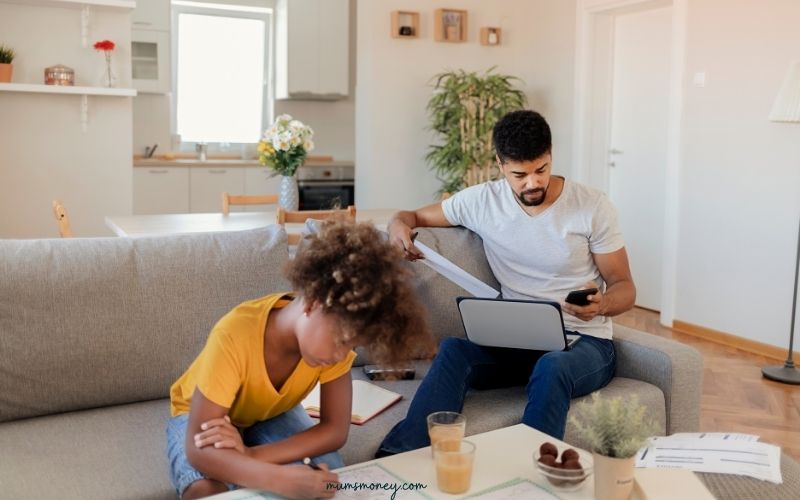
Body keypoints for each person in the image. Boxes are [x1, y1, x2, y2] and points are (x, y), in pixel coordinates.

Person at [376, 109, 636, 457]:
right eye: (520, 174)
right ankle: (400, 460)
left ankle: (526, 478)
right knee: (454, 350)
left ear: (551, 155)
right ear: (499, 164)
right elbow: (413, 216)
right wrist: (397, 226)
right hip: (518, 343)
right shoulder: (482, 201)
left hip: (584, 344)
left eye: (541, 170)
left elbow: (624, 286)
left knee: (552, 365)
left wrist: (601, 305)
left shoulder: (592, 206)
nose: (532, 182)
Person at [166, 219, 432, 500]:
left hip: (272, 412)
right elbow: (199, 451)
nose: (342, 356)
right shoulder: (235, 333)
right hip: (206, 417)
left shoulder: (332, 350)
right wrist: (276, 478)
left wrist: (250, 455)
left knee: (326, 478)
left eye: (352, 345)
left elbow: (334, 430)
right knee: (206, 491)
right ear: (313, 302)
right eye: (341, 341)